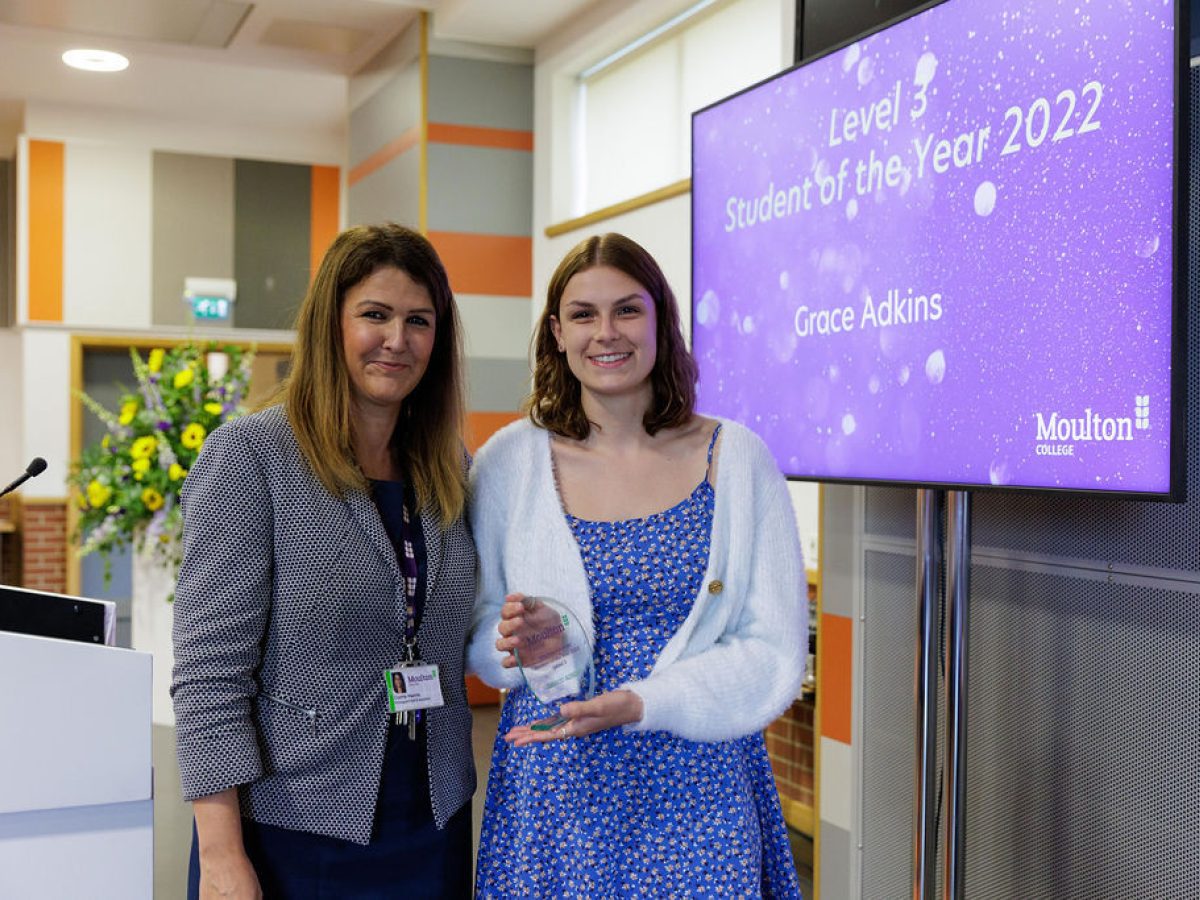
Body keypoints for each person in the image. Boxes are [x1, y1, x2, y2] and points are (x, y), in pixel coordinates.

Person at [467, 232, 806, 897]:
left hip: (699, 777)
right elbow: (477, 633)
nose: (606, 332)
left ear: (660, 321)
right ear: (557, 333)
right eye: (584, 314)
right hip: (559, 781)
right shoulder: (508, 463)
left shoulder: (737, 459)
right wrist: (524, 646)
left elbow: (773, 649)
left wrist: (645, 702)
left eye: (627, 309)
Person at [172, 223, 477, 899]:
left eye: (419, 321)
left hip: (432, 819)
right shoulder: (252, 458)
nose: (397, 340)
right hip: (292, 826)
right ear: (329, 326)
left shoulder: (450, 470)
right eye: (375, 315)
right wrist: (221, 855)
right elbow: (208, 677)